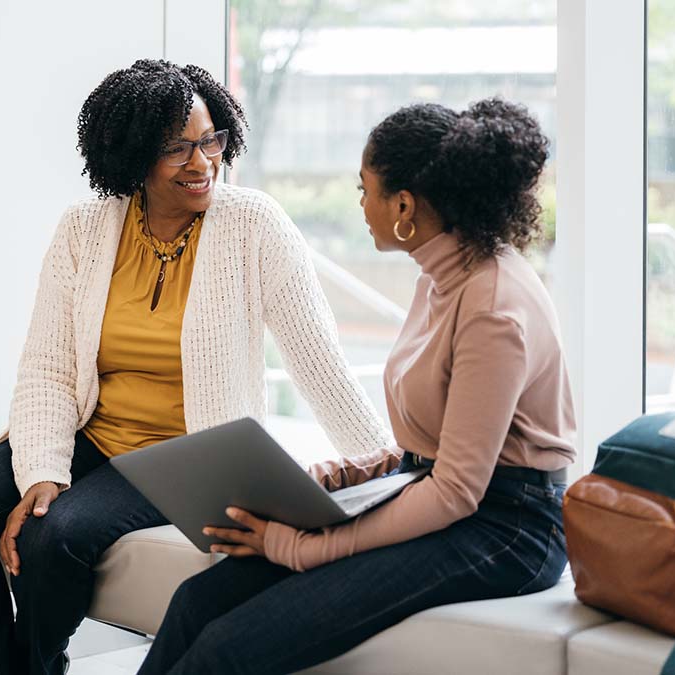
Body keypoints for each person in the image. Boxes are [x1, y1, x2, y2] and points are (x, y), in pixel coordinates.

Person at [0, 59, 392, 675]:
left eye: (211, 141)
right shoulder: (84, 229)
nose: (203, 163)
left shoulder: (253, 225)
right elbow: (48, 367)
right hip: (92, 434)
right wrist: (43, 470)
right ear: (134, 155)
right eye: (177, 149)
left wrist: (392, 471)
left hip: (183, 452)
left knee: (54, 535)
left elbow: (318, 362)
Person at [140, 99, 578, 675]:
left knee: (229, 648)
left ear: (404, 206)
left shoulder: (493, 307)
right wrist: (330, 480)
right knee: (197, 602)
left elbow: (455, 491)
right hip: (442, 490)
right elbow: (432, 449)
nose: (361, 205)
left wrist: (304, 547)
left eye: (364, 189)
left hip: (509, 528)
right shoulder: (442, 277)